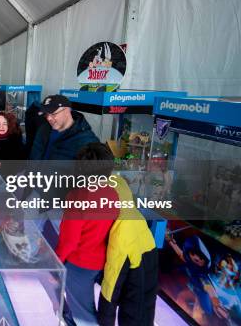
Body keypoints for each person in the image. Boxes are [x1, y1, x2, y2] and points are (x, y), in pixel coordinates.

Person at [55, 143, 119, 326]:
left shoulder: (77, 198)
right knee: (84, 306)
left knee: (83, 312)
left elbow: (69, 241)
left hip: (79, 263)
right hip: (100, 260)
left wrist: (55, 262)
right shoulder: (112, 193)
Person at [97, 174, 158, 326]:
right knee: (145, 312)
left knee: (133, 317)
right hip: (150, 260)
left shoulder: (120, 230)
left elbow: (111, 286)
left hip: (137, 274)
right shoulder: (131, 211)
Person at [30, 95, 99, 160]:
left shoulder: (87, 142)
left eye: (53, 114)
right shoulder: (44, 129)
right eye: (46, 114)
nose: (49, 118)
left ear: (67, 111)